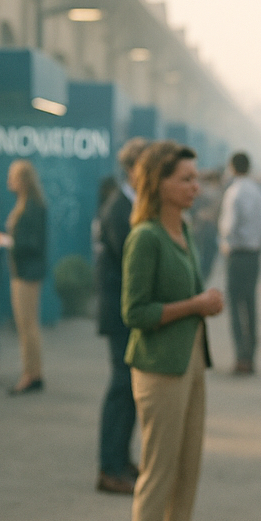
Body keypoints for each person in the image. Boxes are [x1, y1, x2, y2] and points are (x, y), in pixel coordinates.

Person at [123, 140, 225, 521]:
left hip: (190, 364)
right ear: (159, 183)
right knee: (158, 474)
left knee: (187, 470)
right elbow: (134, 311)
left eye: (195, 178)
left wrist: (201, 303)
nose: (194, 186)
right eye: (185, 179)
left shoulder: (182, 228)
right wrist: (196, 305)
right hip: (159, 369)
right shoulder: (145, 236)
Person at [95, 137, 150, 495]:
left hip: (125, 314)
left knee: (128, 390)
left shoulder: (130, 204)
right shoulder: (118, 208)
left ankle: (120, 459)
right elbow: (132, 263)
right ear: (132, 170)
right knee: (120, 388)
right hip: (120, 316)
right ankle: (109, 468)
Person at [0, 159, 48, 395]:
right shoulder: (30, 204)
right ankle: (33, 372)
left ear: (23, 180)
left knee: (27, 325)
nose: (9, 182)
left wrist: (7, 241)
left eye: (13, 177)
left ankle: (31, 375)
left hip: (26, 272)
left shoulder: (32, 207)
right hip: (24, 271)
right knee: (27, 325)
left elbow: (32, 243)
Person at [218, 151, 261, 375]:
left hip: (237, 255)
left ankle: (241, 358)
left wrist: (225, 244)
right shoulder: (259, 192)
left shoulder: (234, 192)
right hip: (254, 255)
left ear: (232, 167)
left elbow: (228, 227)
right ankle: (251, 356)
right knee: (250, 305)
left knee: (236, 307)